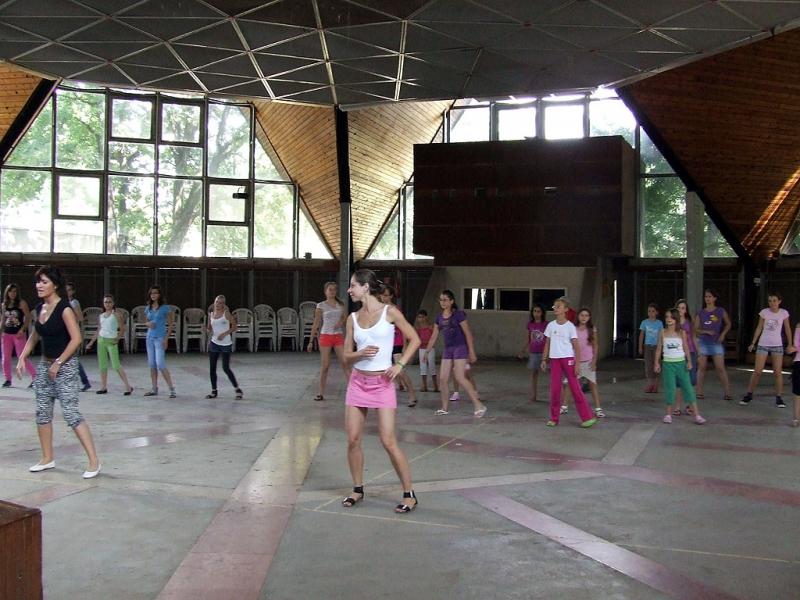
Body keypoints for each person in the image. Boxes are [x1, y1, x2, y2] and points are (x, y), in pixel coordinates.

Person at [341, 269, 420, 513]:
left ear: (365, 287)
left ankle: (409, 494)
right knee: (353, 439)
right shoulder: (352, 318)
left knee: (388, 440)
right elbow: (345, 357)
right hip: (358, 382)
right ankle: (357, 489)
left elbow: (415, 339)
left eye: (353, 285)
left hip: (382, 384)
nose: (349, 290)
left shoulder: (390, 312)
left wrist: (400, 364)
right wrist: (359, 354)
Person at [16, 266, 101, 478]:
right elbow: (35, 335)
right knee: (42, 412)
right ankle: (47, 458)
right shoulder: (40, 308)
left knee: (71, 413)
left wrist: (59, 362)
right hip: (45, 366)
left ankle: (94, 462)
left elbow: (76, 339)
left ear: (55, 285)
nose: (39, 285)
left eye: (44, 282)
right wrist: (22, 356)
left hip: (66, 367)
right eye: (38, 281)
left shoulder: (65, 309)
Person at [423, 289, 486, 417]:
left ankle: (479, 405)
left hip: (460, 347)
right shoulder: (439, 318)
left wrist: (471, 352)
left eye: (445, 300)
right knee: (443, 378)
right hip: (448, 349)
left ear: (451, 301)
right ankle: (444, 408)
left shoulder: (459, 315)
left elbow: (468, 333)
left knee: (460, 377)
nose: (443, 302)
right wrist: (427, 350)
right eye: (441, 300)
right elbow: (434, 336)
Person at [541, 297, 597, 428]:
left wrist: (577, 364)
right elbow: (547, 343)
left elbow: (576, 347)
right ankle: (554, 418)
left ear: (565, 309)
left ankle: (587, 417)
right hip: (555, 360)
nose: (556, 308)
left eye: (558, 306)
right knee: (555, 389)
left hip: (568, 359)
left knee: (575, 388)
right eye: (554, 306)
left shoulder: (570, 327)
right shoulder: (551, 325)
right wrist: (544, 359)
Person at [741, 292, 793, 407]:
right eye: (770, 301)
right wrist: (753, 342)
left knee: (777, 372)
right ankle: (749, 394)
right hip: (763, 344)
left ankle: (779, 397)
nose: (772, 303)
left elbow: (787, 329)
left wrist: (790, 344)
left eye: (774, 300)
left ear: (779, 301)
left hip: (777, 345)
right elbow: (759, 327)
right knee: (757, 371)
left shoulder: (783, 313)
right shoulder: (764, 312)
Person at [655, 308, 706, 425]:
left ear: (676, 319)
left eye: (671, 317)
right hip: (668, 364)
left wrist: (689, 361)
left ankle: (697, 415)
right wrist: (656, 363)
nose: (669, 319)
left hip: (681, 364)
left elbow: (686, 348)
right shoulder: (662, 332)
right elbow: (659, 348)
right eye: (667, 317)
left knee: (688, 388)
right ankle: (668, 414)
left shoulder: (682, 332)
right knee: (670, 389)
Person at [307, 282, 348, 401]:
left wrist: (341, 322)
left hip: (338, 335)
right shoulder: (321, 305)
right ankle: (320, 393)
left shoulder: (341, 304)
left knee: (344, 362)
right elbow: (316, 323)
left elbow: (345, 318)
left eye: (334, 290)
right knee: (325, 366)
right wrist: (310, 341)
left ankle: (353, 390)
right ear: (325, 291)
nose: (332, 292)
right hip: (325, 336)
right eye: (330, 290)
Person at [85, 294, 133, 395]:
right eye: (105, 302)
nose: (107, 304)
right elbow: (99, 329)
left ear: (113, 303)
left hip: (111, 341)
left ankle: (128, 386)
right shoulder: (101, 316)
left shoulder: (116, 314)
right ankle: (103, 387)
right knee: (102, 365)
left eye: (109, 302)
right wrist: (91, 342)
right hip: (101, 340)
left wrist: (117, 339)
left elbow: (122, 328)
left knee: (116, 365)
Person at [379, 285, 418, 408]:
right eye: (382, 295)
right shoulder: (379, 309)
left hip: (396, 343)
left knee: (400, 371)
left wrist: (405, 346)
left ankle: (412, 394)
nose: (384, 297)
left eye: (386, 295)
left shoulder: (395, 310)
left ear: (391, 296)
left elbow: (403, 329)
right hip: (384, 344)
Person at [694, 289, 732, 401]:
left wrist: (723, 334)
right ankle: (699, 392)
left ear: (714, 298)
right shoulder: (700, 313)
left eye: (710, 296)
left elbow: (728, 324)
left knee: (720, 368)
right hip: (703, 342)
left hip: (716, 342)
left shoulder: (720, 311)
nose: (707, 299)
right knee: (702, 367)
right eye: (706, 296)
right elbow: (695, 329)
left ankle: (727, 392)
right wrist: (705, 331)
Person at [205, 295, 243, 400]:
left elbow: (235, 326)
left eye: (221, 303)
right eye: (217, 302)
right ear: (214, 302)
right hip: (214, 343)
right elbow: (209, 328)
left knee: (226, 368)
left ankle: (237, 389)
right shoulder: (211, 314)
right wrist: (206, 330)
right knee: (212, 368)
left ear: (224, 304)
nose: (218, 304)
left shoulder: (226, 313)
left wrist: (225, 334)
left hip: (225, 344)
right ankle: (214, 391)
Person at [143, 285, 176, 398]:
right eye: (151, 293)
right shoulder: (148, 307)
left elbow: (171, 324)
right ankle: (154, 388)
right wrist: (148, 324)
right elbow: (145, 321)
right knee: (152, 364)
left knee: (160, 363)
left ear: (159, 294)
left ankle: (171, 389)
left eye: (155, 293)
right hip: (149, 338)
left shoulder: (165, 308)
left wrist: (166, 338)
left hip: (160, 337)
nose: (153, 295)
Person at [2, 283, 36, 387]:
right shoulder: (4, 305)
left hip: (18, 334)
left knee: (22, 357)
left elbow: (28, 317)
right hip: (6, 334)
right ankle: (8, 379)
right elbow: (3, 320)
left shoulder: (21, 303)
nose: (12, 294)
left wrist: (22, 329)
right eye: (10, 291)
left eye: (14, 291)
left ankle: (35, 377)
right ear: (7, 293)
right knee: (5, 358)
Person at [576, 307, 604, 417]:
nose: (584, 317)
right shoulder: (573, 329)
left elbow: (595, 345)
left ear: (589, 318)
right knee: (570, 384)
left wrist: (594, 361)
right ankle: (564, 406)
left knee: (592, 384)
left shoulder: (592, 329)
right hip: (576, 361)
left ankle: (598, 409)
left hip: (588, 360)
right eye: (582, 315)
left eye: (586, 315)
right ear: (578, 316)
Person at [517, 303, 547, 402]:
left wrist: (549, 352)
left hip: (545, 352)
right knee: (534, 374)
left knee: (551, 373)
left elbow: (549, 339)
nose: (536, 313)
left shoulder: (546, 324)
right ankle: (534, 395)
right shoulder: (530, 324)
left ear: (542, 313)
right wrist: (523, 350)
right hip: (534, 352)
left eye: (538, 311)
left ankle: (556, 394)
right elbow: (528, 339)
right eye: (534, 311)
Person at [673, 299, 698, 415]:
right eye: (679, 308)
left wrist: (698, 351)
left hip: (691, 352)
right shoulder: (673, 322)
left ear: (686, 310)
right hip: (678, 354)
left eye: (683, 308)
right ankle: (677, 407)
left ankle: (689, 405)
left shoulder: (689, 322)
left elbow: (693, 337)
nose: (680, 310)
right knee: (678, 382)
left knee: (691, 380)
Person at [65, 281, 91, 391]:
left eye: (69, 290)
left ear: (73, 291)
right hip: (64, 331)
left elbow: (80, 317)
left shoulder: (74, 302)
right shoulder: (64, 302)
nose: (68, 292)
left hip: (71, 332)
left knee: (71, 357)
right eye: (66, 290)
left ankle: (84, 381)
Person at [638, 303, 663, 393]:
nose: (651, 313)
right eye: (649, 311)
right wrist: (640, 346)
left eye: (653, 311)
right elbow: (641, 335)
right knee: (648, 366)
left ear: (657, 312)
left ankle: (656, 385)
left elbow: (661, 336)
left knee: (656, 365)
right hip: (648, 346)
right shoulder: (644, 322)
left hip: (656, 346)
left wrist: (661, 347)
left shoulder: (659, 323)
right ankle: (650, 384)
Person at [414, 309, 437, 393]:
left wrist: (428, 343)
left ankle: (435, 386)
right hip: (421, 349)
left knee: (432, 366)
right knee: (423, 367)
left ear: (426, 317)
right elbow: (416, 338)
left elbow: (434, 338)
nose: (420, 319)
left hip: (430, 349)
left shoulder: (431, 327)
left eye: (422, 317)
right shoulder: (418, 328)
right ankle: (424, 385)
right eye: (419, 317)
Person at [792, 322, 800, 427]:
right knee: (797, 392)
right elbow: (796, 345)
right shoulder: (799, 326)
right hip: (799, 361)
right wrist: (793, 348)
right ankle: (796, 417)